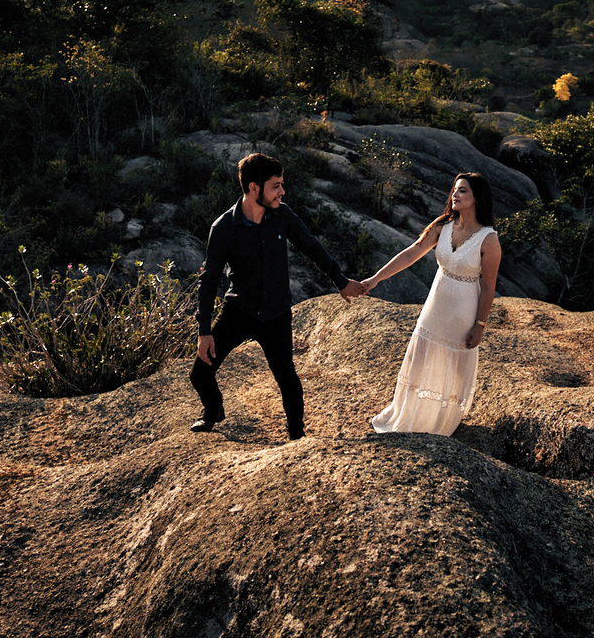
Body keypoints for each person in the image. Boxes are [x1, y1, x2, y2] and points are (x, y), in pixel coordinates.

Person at [190, 152, 366, 440]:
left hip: (276, 313)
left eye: (282, 184)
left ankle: (296, 436)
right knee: (199, 374)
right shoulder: (223, 228)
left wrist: (341, 281)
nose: (282, 192)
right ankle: (213, 409)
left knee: (287, 377)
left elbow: (312, 247)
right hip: (239, 310)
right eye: (276, 186)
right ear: (253, 188)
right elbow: (209, 280)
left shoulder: (283, 215)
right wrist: (204, 330)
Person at [363, 172, 501, 437]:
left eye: (463, 190)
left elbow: (488, 288)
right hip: (435, 305)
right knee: (419, 360)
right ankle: (408, 413)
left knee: (454, 367)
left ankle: (444, 419)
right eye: (455, 189)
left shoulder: (489, 239)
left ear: (477, 198)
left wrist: (480, 325)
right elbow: (412, 252)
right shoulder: (443, 225)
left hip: (463, 311)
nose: (455, 194)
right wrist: (376, 278)